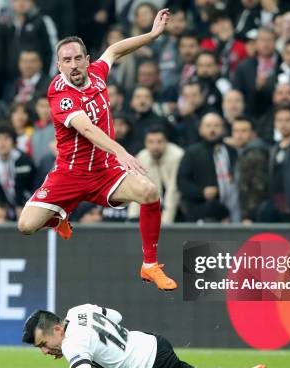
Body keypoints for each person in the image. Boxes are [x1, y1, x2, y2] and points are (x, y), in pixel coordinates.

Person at [18, 9, 177, 291]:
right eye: (66, 61)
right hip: (70, 173)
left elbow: (115, 50)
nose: (73, 65)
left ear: (87, 60)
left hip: (104, 172)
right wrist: (120, 151)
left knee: (149, 192)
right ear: (59, 65)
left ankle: (150, 265)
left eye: (78, 58)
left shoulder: (97, 73)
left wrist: (152, 35)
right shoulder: (60, 95)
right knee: (26, 226)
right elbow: (88, 129)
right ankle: (60, 215)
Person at [16, 304, 268, 368]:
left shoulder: (72, 343)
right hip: (152, 342)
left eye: (44, 344)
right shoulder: (78, 311)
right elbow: (115, 316)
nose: (45, 351)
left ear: (58, 330)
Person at [177, 112, 240, 223]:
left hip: (232, 206)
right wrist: (202, 192)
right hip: (202, 209)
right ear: (200, 129)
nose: (212, 129)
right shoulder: (192, 152)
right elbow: (182, 181)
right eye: (208, 126)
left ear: (223, 129)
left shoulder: (231, 151)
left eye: (216, 125)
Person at [127, 127, 184, 224]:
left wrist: (165, 224)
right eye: (151, 142)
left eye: (159, 141)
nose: (155, 146)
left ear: (166, 142)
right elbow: (138, 189)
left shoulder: (177, 155)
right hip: (154, 204)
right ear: (145, 143)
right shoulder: (142, 156)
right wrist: (132, 218)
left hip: (179, 206)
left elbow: (173, 190)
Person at [230, 116, 269, 224]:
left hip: (252, 217)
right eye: (236, 131)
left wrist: (249, 216)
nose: (239, 135)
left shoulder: (255, 153)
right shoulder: (242, 152)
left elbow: (257, 187)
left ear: (253, 133)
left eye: (244, 131)